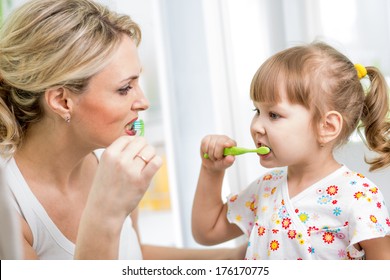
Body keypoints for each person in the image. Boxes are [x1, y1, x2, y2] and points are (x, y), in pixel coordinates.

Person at [0, 0, 245, 260]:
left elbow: (132, 256)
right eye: (124, 88)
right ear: (62, 101)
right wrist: (106, 212)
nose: (143, 102)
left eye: (138, 81)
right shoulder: (10, 207)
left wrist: (235, 260)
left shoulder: (110, 166)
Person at [192, 41, 390, 260]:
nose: (256, 126)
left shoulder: (358, 197)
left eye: (274, 115)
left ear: (327, 127)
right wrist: (211, 171)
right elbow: (206, 231)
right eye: (257, 110)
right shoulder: (266, 189)